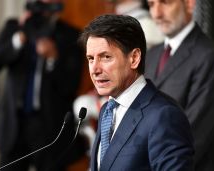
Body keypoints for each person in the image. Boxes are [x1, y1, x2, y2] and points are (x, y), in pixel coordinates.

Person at [79, 14, 194, 171]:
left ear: (134, 58)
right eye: (91, 59)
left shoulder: (163, 116)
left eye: (105, 57)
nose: (95, 70)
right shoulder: (107, 110)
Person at [0, 0, 84, 170]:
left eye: (49, 6)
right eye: (40, 5)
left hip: (49, 126)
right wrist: (18, 39)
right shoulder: (15, 27)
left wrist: (53, 58)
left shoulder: (70, 35)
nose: (43, 11)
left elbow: (70, 86)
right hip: (14, 124)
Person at [145, 0, 214, 170]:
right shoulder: (151, 55)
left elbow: (193, 134)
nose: (157, 14)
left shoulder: (210, 56)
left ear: (189, 4)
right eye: (151, 4)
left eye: (165, 3)